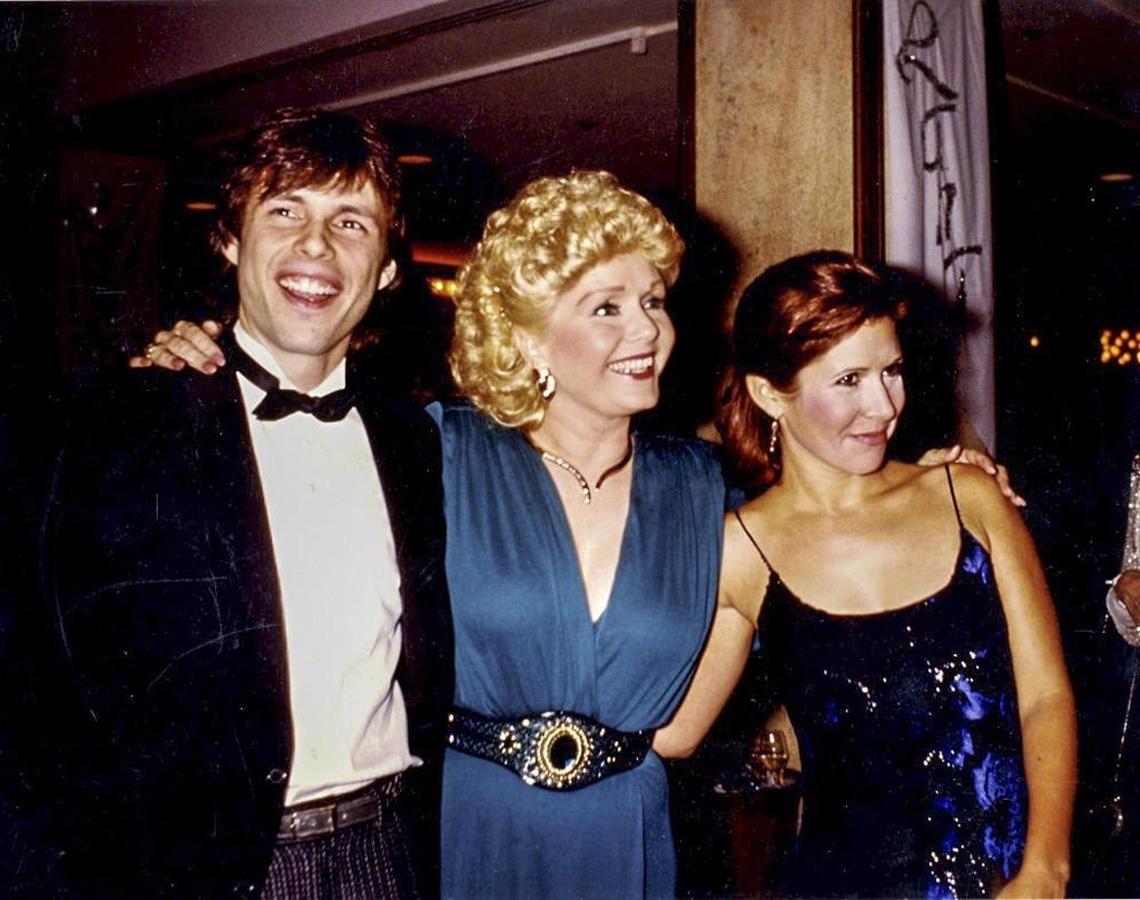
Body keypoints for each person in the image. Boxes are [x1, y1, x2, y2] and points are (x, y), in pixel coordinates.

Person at [38, 108, 453, 899]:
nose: (315, 247)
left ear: (390, 269)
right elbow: (54, 688)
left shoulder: (413, 440)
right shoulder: (121, 421)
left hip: (388, 847)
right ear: (229, 241)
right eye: (285, 210)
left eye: (351, 221)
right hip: (207, 866)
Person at [655, 251, 1076, 898]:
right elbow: (673, 734)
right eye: (849, 380)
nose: (884, 404)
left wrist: (1046, 868)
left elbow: (1044, 695)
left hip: (1010, 880)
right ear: (771, 392)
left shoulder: (969, 496)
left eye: (892, 371)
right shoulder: (740, 548)